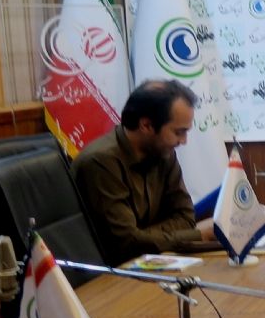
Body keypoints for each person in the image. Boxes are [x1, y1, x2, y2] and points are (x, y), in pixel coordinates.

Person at [72, 79, 215, 266]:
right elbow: (126, 244)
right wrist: (197, 235)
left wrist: (143, 237)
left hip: (149, 260)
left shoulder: (163, 152)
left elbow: (186, 218)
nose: (183, 141)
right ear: (146, 125)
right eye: (178, 132)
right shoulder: (100, 162)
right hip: (109, 273)